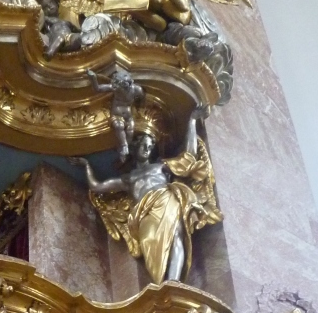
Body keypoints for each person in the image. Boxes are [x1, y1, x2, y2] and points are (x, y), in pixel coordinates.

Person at [72, 105, 220, 283]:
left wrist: (192, 121)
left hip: (166, 200)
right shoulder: (129, 178)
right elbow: (97, 186)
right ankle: (162, 283)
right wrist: (86, 166)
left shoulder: (161, 166)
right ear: (135, 147)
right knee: (149, 242)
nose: (147, 149)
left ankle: (173, 282)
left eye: (150, 146)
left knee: (176, 236)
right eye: (143, 145)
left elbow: (189, 156)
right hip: (143, 213)